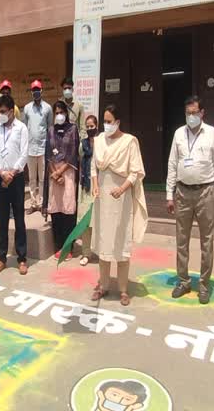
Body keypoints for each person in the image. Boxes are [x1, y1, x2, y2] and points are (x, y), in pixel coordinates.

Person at [166, 96, 214, 304]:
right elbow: (172, 164)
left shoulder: (212, 134)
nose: (191, 117)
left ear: (202, 113)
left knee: (206, 240)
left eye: (194, 113)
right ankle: (183, 281)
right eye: (188, 113)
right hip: (182, 193)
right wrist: (169, 194)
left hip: (206, 192)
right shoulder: (178, 134)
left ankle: (204, 284)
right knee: (181, 240)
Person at [90, 104, 148, 306]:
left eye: (109, 121)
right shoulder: (98, 141)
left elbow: (135, 172)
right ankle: (104, 286)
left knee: (121, 242)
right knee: (104, 242)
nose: (106, 125)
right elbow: (94, 168)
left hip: (121, 199)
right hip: (102, 199)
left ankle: (123, 290)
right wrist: (95, 186)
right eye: (104, 121)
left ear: (118, 122)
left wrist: (122, 189)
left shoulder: (130, 142)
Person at [0, 94, 29, 275]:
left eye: (3, 112)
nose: (0, 115)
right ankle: (1, 258)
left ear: (11, 111)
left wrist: (13, 172)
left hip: (17, 178)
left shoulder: (21, 128)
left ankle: (22, 258)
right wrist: (1, 172)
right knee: (2, 220)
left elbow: (24, 152)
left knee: (19, 219)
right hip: (1, 178)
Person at [42, 101, 80, 259]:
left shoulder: (73, 129)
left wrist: (61, 172)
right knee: (56, 210)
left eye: (61, 112)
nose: (59, 115)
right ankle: (58, 245)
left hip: (68, 172)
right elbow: (48, 153)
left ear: (66, 113)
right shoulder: (50, 130)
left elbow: (73, 153)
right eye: (56, 112)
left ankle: (68, 247)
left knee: (68, 210)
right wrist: (54, 173)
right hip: (54, 174)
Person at [0, 79, 21, 222]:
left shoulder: (16, 109)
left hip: (11, 150)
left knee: (11, 179)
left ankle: (11, 209)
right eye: (3, 90)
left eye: (7, 90)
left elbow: (17, 127)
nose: (5, 92)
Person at [23, 79, 52, 214]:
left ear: (41, 91)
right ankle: (33, 204)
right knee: (32, 178)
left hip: (43, 148)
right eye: (33, 90)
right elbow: (25, 127)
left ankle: (42, 203)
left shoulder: (47, 108)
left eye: (37, 90)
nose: (35, 92)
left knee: (42, 177)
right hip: (30, 148)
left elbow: (50, 128)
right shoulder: (27, 108)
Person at [78, 115, 98, 266]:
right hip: (86, 187)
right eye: (88, 126)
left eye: (92, 126)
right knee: (85, 222)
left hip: (99, 187)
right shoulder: (82, 144)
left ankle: (102, 252)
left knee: (99, 222)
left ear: (97, 126)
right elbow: (80, 162)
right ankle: (86, 253)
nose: (90, 129)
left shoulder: (102, 143)